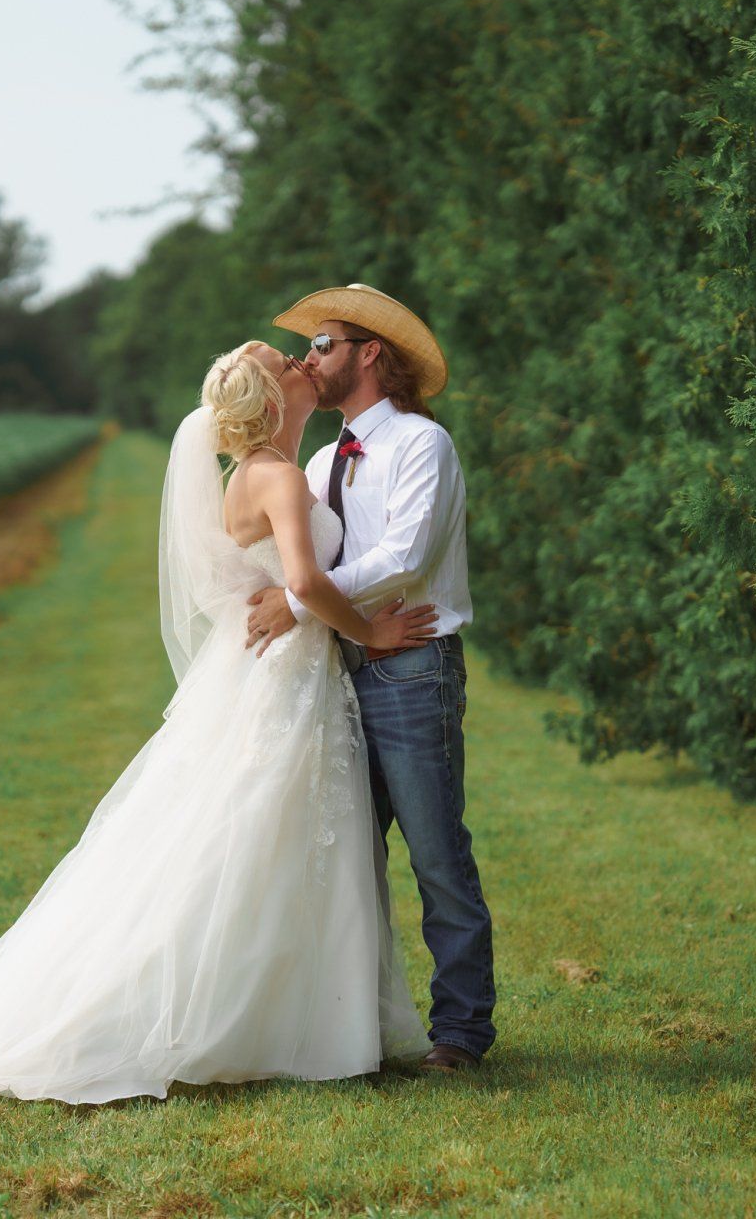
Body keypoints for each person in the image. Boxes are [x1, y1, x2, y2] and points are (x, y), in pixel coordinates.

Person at [0, 340, 435, 1104]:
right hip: (283, 675)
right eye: (283, 360)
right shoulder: (278, 477)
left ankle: (290, 1019)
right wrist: (373, 633)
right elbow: (300, 579)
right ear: (269, 399)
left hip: (270, 674)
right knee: (265, 833)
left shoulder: (257, 475)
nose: (302, 360)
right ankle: (278, 1025)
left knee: (263, 835)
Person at [243, 283, 496, 1072]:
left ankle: (461, 1032)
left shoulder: (422, 444)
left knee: (434, 853)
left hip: (414, 669)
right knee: (344, 859)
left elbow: (404, 560)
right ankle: (340, 1024)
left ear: (369, 353)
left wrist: (294, 603)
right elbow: (305, 555)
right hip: (338, 672)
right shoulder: (319, 459)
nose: (310, 359)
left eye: (323, 345)